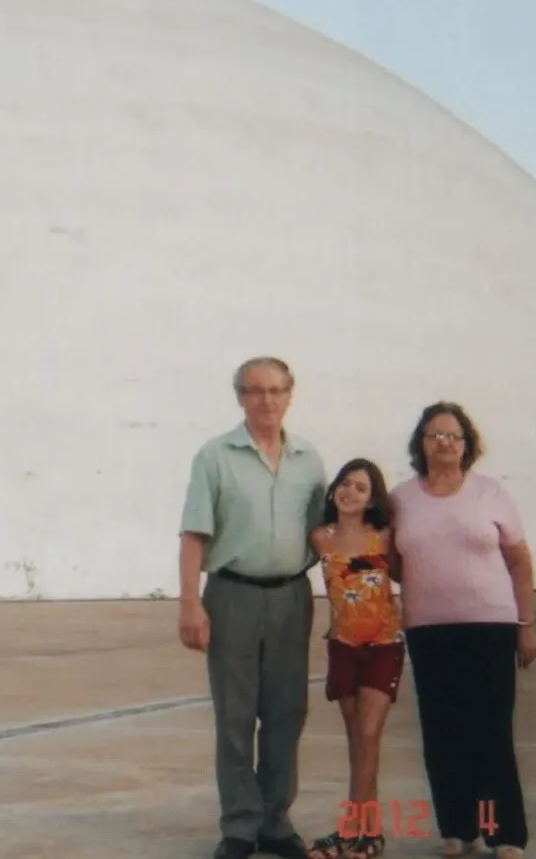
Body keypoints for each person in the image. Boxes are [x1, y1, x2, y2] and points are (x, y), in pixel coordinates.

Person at [178, 357, 328, 859]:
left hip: (291, 596)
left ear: (290, 394)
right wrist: (190, 605)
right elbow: (194, 534)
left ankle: (276, 822)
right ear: (240, 397)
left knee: (287, 712)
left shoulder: (309, 460)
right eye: (255, 390)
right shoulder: (214, 456)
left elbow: (325, 536)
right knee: (236, 716)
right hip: (232, 596)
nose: (266, 400)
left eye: (276, 390)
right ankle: (240, 826)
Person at [389, 402, 536, 859]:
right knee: (442, 732)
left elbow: (519, 560)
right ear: (421, 443)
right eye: (435, 435)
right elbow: (395, 563)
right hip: (429, 630)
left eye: (453, 436)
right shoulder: (401, 498)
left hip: (489, 626)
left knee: (489, 732)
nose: (444, 443)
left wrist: (525, 625)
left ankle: (503, 832)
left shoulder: (490, 492)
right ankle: (458, 827)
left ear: (468, 444)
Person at [306, 459, 404, 859]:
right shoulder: (320, 538)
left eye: (360, 488)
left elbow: (405, 576)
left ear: (372, 499)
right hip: (343, 648)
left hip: (383, 646)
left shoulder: (383, 537)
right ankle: (370, 835)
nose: (350, 492)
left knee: (367, 735)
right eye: (345, 484)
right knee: (358, 743)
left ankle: (349, 833)